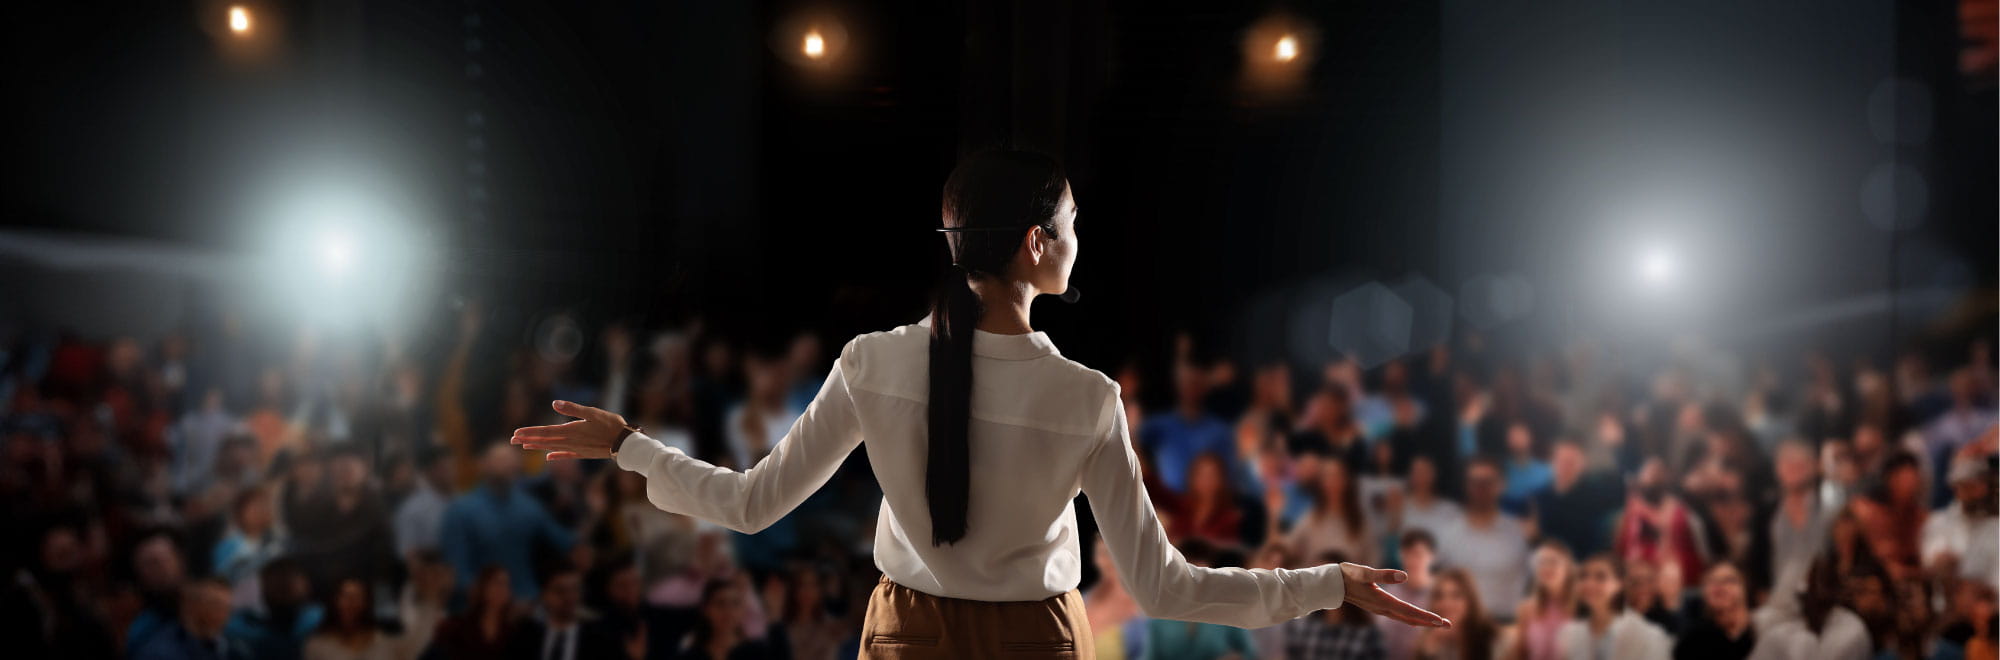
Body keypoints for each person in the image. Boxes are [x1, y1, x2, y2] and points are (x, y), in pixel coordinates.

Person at [510, 151, 1448, 657]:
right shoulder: (1084, 398)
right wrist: (1328, 582)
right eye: (1072, 224)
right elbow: (1166, 588)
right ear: (1039, 242)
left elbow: (750, 506)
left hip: (903, 639)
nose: (1079, 240)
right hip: (1034, 647)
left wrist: (631, 446)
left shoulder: (872, 361)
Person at [439, 443, 576, 600]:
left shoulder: (528, 506)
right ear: (483, 464)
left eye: (512, 459)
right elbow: (457, 571)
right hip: (481, 607)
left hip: (527, 601)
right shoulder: (460, 511)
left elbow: (565, 542)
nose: (509, 464)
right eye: (501, 459)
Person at [1435, 457, 1528, 622]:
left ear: (1501, 485)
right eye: (1475, 482)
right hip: (1460, 627)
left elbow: (1529, 585)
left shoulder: (1518, 533)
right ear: (1467, 485)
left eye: (1488, 482)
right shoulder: (1448, 534)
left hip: (1506, 626)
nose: (1481, 488)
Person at [1275, 552, 1387, 660]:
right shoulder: (1301, 626)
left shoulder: (1366, 634)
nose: (1318, 584)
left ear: (1346, 582)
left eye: (1325, 577)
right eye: (1313, 577)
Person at [1556, 554, 1669, 660]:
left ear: (1619, 584)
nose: (1589, 584)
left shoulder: (1649, 637)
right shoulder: (1569, 634)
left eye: (1600, 577)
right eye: (1583, 576)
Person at [1287, 455, 1378, 566]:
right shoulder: (1310, 519)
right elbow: (1287, 551)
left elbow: (1372, 562)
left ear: (1346, 481)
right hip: (1315, 581)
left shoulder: (1361, 523)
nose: (1333, 482)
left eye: (1337, 476)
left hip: (1349, 582)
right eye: (1328, 477)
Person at [511, 566, 618, 660]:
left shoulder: (599, 640)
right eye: (560, 591)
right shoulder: (526, 636)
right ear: (545, 595)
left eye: (575, 589)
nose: (569, 597)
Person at [672, 578, 784, 660]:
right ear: (706, 610)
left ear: (743, 610)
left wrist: (775, 617)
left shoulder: (759, 652)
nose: (728, 611)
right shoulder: (690, 656)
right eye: (720, 603)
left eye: (735, 604)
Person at [426, 566, 521, 659]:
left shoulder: (512, 631)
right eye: (497, 583)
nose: (502, 589)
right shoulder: (457, 626)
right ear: (483, 587)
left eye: (506, 584)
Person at [134, 579, 243, 660]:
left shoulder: (229, 646)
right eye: (216, 604)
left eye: (227, 606)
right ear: (191, 605)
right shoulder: (160, 651)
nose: (225, 613)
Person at [302, 578, 402, 660]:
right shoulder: (317, 646)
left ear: (366, 603)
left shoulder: (383, 642)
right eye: (345, 596)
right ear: (334, 601)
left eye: (357, 597)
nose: (351, 603)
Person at [1673, 561, 1755, 660]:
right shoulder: (1692, 643)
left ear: (1745, 587)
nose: (1719, 586)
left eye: (1729, 580)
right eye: (1711, 581)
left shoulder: (1762, 629)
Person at [1377, 530, 1437, 660]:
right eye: (1408, 554)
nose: (1413, 561)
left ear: (1431, 556)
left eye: (1419, 554)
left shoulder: (1440, 593)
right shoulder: (1389, 592)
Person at [1413, 569, 1497, 660]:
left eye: (1456, 595)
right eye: (1439, 596)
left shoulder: (1492, 640)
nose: (1446, 603)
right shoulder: (1430, 639)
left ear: (1470, 600)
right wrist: (1429, 650)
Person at [1514, 540, 1577, 660]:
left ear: (1568, 568)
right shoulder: (1526, 608)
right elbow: (1520, 653)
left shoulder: (1581, 608)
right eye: (1541, 563)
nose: (1546, 567)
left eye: (1553, 562)